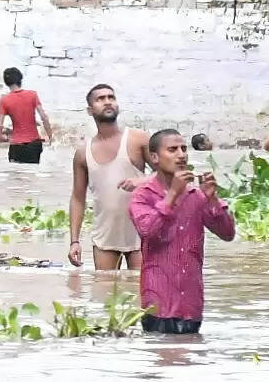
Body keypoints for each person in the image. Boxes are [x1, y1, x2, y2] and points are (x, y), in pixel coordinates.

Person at [129, 129, 236, 334]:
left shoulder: (196, 195)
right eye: (172, 149)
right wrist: (172, 195)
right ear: (154, 157)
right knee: (162, 359)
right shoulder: (142, 196)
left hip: (191, 305)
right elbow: (147, 229)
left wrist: (212, 199)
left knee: (191, 361)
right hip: (158, 305)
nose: (181, 155)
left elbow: (227, 233)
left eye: (184, 149)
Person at [69, 84, 149, 270]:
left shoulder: (138, 139)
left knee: (143, 293)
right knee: (103, 292)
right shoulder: (83, 153)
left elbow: (168, 175)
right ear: (90, 110)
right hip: (105, 236)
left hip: (141, 233)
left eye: (111, 97)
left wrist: (142, 180)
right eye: (100, 99)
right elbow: (78, 198)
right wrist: (74, 241)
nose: (107, 102)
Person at [0, 67, 54, 164]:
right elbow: (44, 117)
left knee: (15, 176)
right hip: (34, 144)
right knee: (31, 175)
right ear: (20, 79)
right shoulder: (32, 95)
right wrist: (50, 137)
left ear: (6, 82)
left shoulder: (5, 100)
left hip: (16, 145)